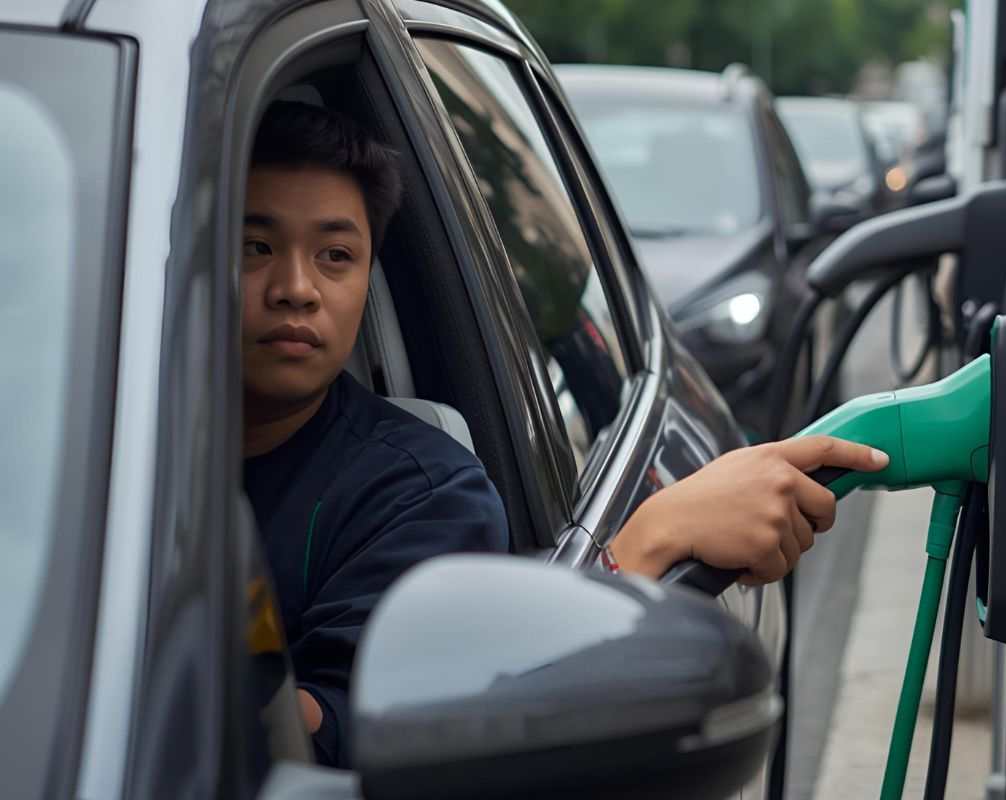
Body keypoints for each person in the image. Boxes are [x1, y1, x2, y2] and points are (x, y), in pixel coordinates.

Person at [240, 102, 887, 768]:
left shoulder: (419, 493)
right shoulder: (129, 460)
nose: (296, 288)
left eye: (335, 255)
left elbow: (366, 742)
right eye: (254, 246)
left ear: (369, 278)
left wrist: (641, 548)